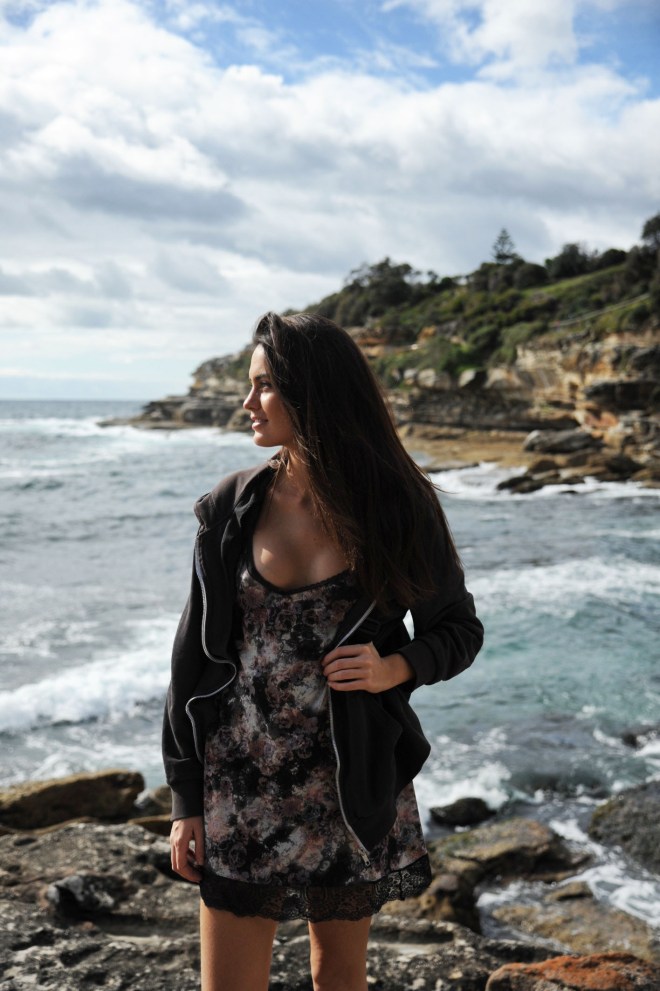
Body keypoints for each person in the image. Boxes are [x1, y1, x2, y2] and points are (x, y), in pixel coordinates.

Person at [163, 312, 483, 991]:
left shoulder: (397, 508)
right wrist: (184, 799)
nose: (247, 403)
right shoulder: (231, 510)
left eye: (264, 386)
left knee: (338, 976)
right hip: (239, 787)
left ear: (314, 392)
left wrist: (394, 666)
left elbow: (458, 628)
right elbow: (189, 662)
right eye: (250, 386)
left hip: (348, 785)